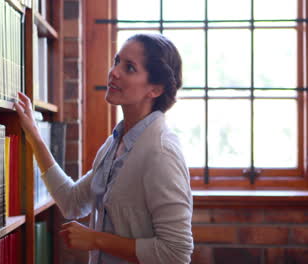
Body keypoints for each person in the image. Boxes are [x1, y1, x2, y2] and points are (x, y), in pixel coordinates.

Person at [14, 33, 193, 264]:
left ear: (155, 89)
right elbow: (72, 202)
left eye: (129, 68)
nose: (114, 72)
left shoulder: (161, 153)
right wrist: (34, 136)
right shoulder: (116, 142)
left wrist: (96, 239)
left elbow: (177, 253)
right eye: (117, 61)